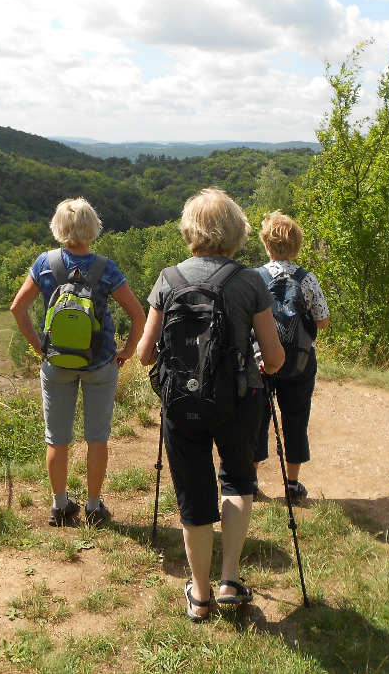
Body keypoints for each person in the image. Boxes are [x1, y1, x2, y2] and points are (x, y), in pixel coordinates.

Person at [138, 188, 284, 622]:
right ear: (236, 231)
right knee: (237, 480)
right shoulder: (250, 280)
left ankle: (199, 596)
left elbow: (144, 354)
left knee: (193, 493)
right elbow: (274, 356)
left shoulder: (168, 279)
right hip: (240, 398)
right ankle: (229, 580)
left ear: (190, 230)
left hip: (181, 403)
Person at [10, 198, 145, 528]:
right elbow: (138, 314)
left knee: (57, 438)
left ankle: (59, 507)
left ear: (58, 227)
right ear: (93, 227)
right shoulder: (106, 268)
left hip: (56, 363)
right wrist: (127, 351)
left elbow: (17, 308)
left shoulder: (44, 263)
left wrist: (39, 347)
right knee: (97, 437)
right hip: (100, 364)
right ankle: (94, 508)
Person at [253, 211, 330, 503]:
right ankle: (293, 485)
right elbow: (323, 320)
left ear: (266, 243)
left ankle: (251, 481)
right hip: (300, 361)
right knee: (296, 418)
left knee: (257, 418)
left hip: (261, 360)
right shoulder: (307, 278)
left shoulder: (255, 278)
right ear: (296, 245)